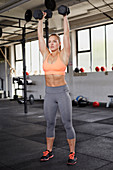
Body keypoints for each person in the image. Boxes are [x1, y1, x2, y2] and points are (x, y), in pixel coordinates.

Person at [38, 11, 77, 165]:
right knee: (49, 123)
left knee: (67, 123)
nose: (51, 43)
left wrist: (65, 17)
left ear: (59, 43)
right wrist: (40, 20)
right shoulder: (45, 54)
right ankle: (49, 151)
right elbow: (39, 37)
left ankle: (72, 153)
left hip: (62, 92)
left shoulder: (64, 54)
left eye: (54, 41)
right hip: (49, 94)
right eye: (50, 41)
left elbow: (66, 34)